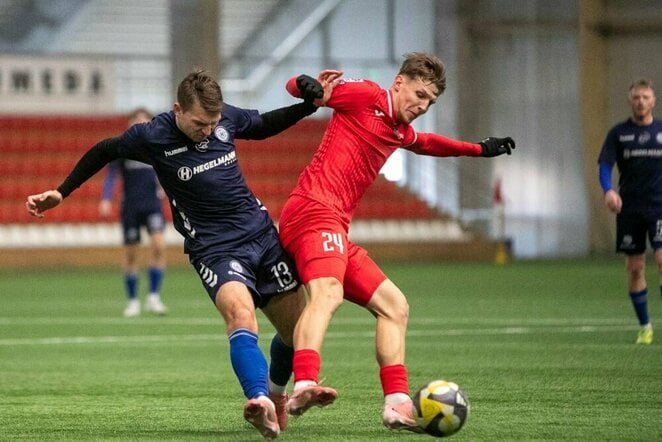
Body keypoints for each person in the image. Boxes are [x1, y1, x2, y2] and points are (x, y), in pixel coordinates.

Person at [26, 69, 332, 439]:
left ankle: (275, 392)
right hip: (214, 248)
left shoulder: (224, 118)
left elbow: (264, 125)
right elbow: (105, 149)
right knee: (240, 315)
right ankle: (258, 400)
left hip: (262, 238)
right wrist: (62, 192)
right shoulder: (152, 135)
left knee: (295, 332)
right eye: (200, 123)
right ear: (178, 110)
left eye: (213, 124)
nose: (208, 131)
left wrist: (307, 106)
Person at [278, 52, 515, 432]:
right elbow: (305, 92)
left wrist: (479, 149)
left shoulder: (398, 130)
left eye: (430, 102)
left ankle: (397, 403)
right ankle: (304, 382)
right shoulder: (366, 95)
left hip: (334, 226)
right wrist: (303, 84)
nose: (422, 106)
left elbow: (430, 143)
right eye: (419, 95)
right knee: (328, 292)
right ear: (399, 83)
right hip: (311, 211)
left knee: (395, 306)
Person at [598, 78, 661, 346]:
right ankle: (645, 327)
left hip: (659, 207)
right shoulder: (619, 133)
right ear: (630, 100)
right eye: (636, 97)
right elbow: (605, 164)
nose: (640, 102)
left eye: (645, 97)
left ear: (653, 101)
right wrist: (608, 190)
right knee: (635, 269)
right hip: (630, 209)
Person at [99, 108, 168, 317]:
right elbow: (112, 175)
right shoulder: (123, 148)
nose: (139, 123)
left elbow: (167, 172)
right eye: (136, 120)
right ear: (129, 124)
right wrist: (106, 198)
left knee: (158, 245)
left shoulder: (156, 147)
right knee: (131, 254)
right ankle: (132, 301)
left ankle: (154, 297)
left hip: (152, 204)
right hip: (130, 206)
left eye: (143, 120)